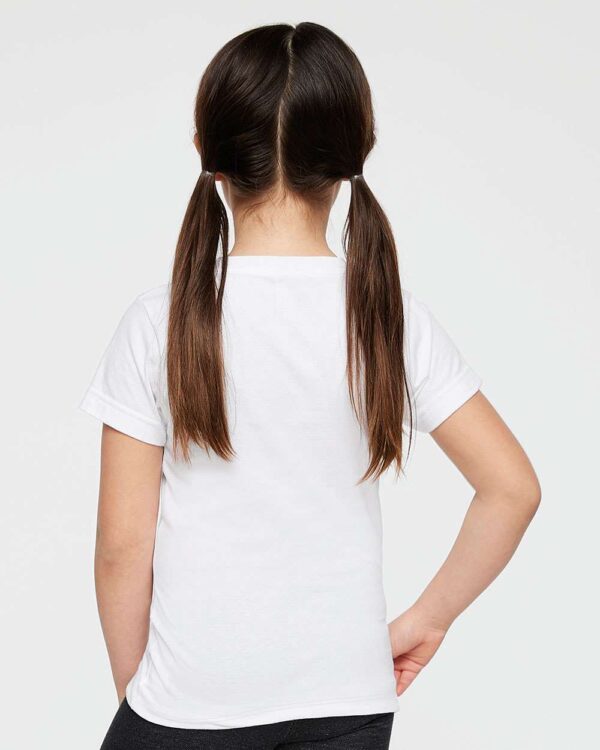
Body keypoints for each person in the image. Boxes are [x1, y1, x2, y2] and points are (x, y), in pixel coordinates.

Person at [78, 21, 541, 750]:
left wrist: (144, 695)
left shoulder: (157, 323)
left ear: (207, 153)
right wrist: (428, 620)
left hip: (192, 705)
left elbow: (120, 547)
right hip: (347, 703)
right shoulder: (387, 319)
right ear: (354, 156)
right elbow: (513, 488)